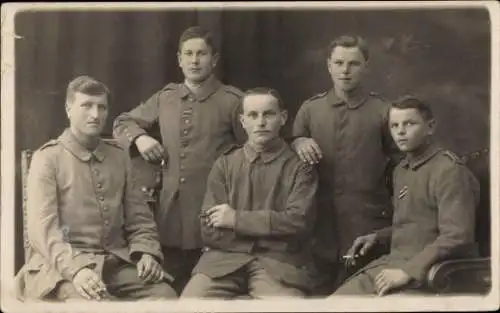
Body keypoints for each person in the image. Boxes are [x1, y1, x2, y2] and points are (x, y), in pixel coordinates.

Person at [15, 76, 177, 301]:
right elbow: (43, 232)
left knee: (165, 296)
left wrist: (147, 252)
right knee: (90, 303)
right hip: (59, 267)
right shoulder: (48, 158)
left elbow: (139, 219)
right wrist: (77, 270)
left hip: (114, 265)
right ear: (68, 109)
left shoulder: (119, 156)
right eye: (86, 106)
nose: (95, 114)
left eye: (102, 107)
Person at [112, 26, 246, 294]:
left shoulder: (233, 101)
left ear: (214, 60)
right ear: (179, 59)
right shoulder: (166, 97)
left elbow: (252, 151)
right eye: (189, 54)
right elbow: (122, 121)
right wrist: (141, 138)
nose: (195, 61)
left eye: (201, 54)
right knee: (167, 291)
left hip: (213, 217)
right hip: (170, 218)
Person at [331, 96, 479, 296]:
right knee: (333, 302)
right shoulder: (402, 170)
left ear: (430, 127)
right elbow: (416, 224)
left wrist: (408, 271)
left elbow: (457, 236)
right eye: (394, 125)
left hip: (431, 274)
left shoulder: (448, 171)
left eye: (409, 123)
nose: (400, 131)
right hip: (395, 264)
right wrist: (379, 237)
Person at [181, 88, 318, 299]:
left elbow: (298, 222)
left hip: (279, 265)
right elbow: (208, 229)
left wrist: (235, 219)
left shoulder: (300, 167)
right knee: (188, 305)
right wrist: (269, 233)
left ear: (283, 118)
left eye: (268, 114)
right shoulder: (225, 164)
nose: (260, 122)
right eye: (253, 115)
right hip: (223, 263)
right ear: (243, 121)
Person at [291, 35, 402, 295]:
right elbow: (290, 153)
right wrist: (298, 142)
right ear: (328, 65)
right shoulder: (310, 110)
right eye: (339, 62)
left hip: (365, 220)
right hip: (319, 223)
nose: (345, 70)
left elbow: (401, 162)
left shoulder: (383, 111)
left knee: (356, 291)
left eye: (353, 63)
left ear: (366, 66)